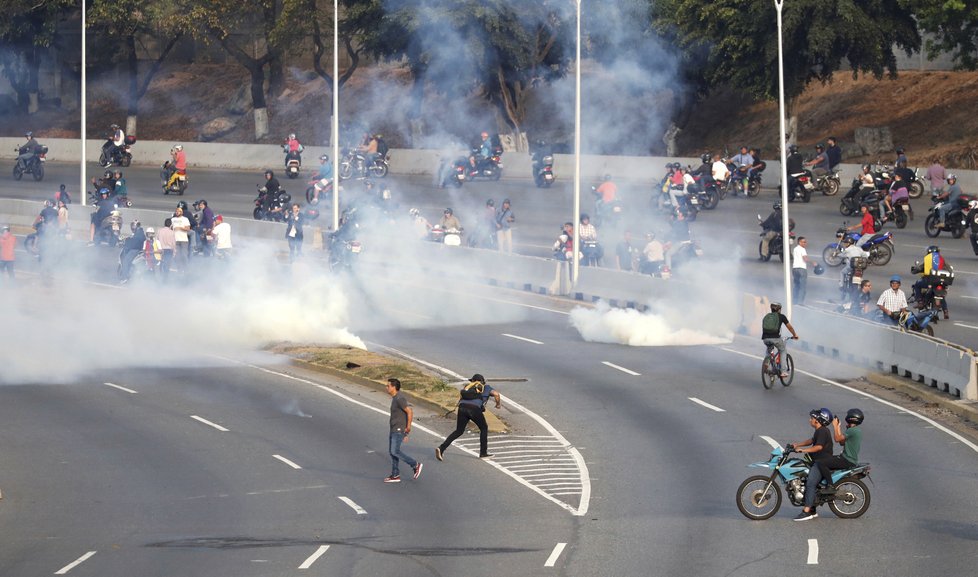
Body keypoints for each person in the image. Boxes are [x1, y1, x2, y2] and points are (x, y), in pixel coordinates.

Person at [435, 374, 501, 461]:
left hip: (462, 408)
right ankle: (483, 453)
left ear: (472, 381)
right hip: (474, 409)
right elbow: (496, 394)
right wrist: (498, 404)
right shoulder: (486, 387)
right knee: (484, 428)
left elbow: (462, 397)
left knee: (459, 431)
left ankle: (441, 448)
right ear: (482, 381)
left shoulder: (467, 387)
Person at [790, 408, 835, 521]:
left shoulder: (823, 431)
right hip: (817, 461)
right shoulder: (820, 431)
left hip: (821, 462)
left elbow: (818, 446)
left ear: (818, 420)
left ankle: (807, 511)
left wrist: (803, 451)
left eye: (812, 418)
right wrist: (797, 445)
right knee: (805, 480)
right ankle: (813, 509)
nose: (810, 420)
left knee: (810, 483)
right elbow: (812, 440)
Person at [814, 408, 864, 495]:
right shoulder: (854, 430)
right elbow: (841, 442)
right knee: (827, 460)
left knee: (821, 462)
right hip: (847, 459)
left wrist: (834, 426)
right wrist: (838, 427)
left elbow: (837, 439)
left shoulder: (852, 430)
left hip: (846, 460)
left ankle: (830, 486)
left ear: (851, 418)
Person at [385, 377, 422, 483]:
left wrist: (408, 428)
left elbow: (409, 411)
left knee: (394, 451)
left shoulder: (399, 398)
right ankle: (395, 475)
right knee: (392, 452)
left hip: (398, 429)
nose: (386, 387)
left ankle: (415, 464)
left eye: (388, 386)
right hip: (393, 428)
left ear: (394, 387)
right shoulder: (395, 398)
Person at [760, 302, 799, 378]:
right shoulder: (781, 316)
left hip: (765, 339)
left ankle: (767, 362)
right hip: (775, 338)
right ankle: (783, 371)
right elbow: (790, 327)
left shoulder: (766, 316)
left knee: (769, 349)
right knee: (783, 350)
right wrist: (795, 335)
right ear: (779, 309)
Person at [912, 245, 951, 319]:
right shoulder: (942, 260)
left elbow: (920, 268)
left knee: (917, 285)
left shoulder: (928, 260)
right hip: (941, 283)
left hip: (929, 281)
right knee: (941, 295)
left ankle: (920, 302)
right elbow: (949, 269)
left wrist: (916, 270)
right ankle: (945, 311)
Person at [791, 236, 816, 304]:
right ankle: (800, 302)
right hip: (801, 269)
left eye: (805, 242)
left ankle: (794, 301)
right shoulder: (802, 249)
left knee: (796, 285)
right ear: (799, 242)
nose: (805, 243)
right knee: (802, 287)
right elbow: (805, 259)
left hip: (794, 269)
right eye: (803, 242)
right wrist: (812, 262)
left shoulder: (795, 249)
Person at [171, 205, 192, 271]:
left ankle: (186, 268)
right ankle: (179, 268)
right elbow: (170, 227)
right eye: (176, 211)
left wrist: (180, 228)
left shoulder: (185, 219)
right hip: (175, 240)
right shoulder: (173, 219)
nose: (177, 212)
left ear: (181, 212)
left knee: (184, 255)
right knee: (177, 255)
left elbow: (188, 228)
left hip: (183, 240)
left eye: (179, 211)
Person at [157, 217, 176, 282]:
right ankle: (165, 281)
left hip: (161, 250)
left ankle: (160, 280)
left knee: (161, 266)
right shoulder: (172, 232)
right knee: (167, 267)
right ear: (171, 225)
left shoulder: (160, 231)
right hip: (169, 251)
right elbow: (174, 244)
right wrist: (174, 253)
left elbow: (157, 241)